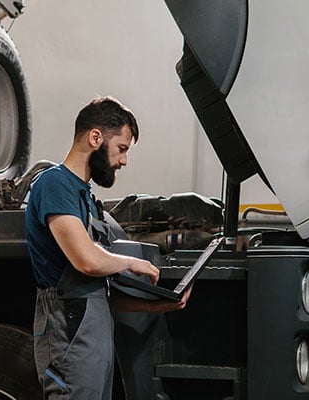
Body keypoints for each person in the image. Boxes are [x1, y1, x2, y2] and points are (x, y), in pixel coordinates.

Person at [26, 96, 192, 399]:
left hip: (92, 338)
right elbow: (87, 261)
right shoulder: (54, 184)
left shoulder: (85, 197)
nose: (124, 160)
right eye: (122, 148)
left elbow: (100, 295)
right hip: (69, 337)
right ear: (95, 137)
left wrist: (161, 306)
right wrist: (131, 263)